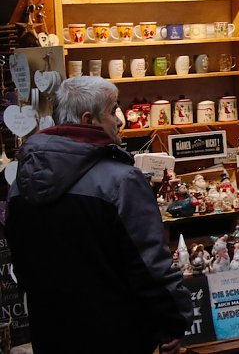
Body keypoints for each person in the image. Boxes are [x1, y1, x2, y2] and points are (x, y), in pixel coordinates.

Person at [6, 76, 193, 354]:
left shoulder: (21, 183)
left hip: (52, 335)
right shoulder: (121, 180)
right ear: (89, 119)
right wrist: (174, 320)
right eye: (112, 110)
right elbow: (149, 265)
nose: (119, 120)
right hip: (118, 335)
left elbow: (21, 264)